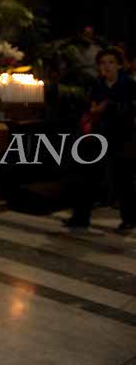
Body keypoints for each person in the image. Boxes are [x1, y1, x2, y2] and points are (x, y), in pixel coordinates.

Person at [65, 47, 136, 233]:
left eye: (111, 62)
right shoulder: (97, 84)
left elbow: (128, 110)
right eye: (103, 63)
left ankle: (129, 219)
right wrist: (95, 109)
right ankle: (81, 217)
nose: (107, 66)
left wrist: (108, 106)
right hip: (98, 135)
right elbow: (90, 106)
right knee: (87, 176)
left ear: (119, 65)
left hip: (122, 136)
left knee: (123, 179)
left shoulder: (128, 84)